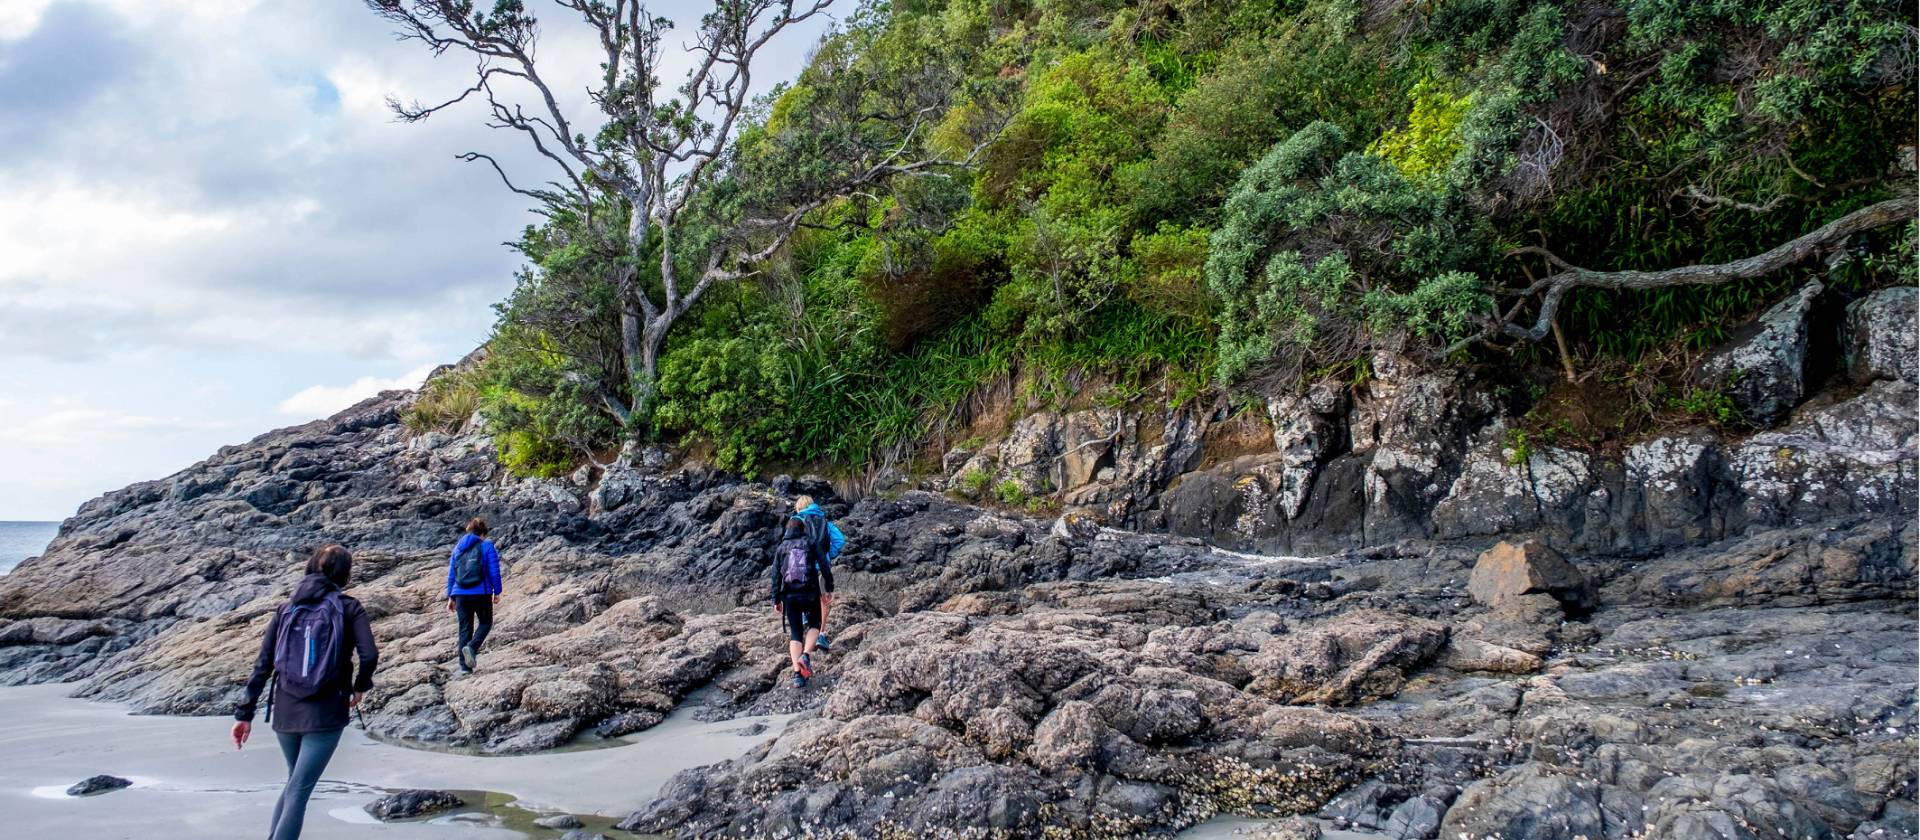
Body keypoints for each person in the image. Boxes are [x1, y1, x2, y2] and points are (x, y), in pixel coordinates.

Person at [231, 544, 379, 840]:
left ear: (310, 568)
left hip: (286, 709)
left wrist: (244, 714)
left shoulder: (286, 609)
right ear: (345, 575)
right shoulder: (349, 607)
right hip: (325, 710)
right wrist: (361, 686)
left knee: (294, 783)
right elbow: (369, 655)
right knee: (298, 789)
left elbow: (263, 663)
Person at [770, 516, 835, 688]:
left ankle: (797, 675)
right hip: (810, 593)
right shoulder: (811, 542)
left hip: (789, 596)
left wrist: (776, 599)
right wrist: (828, 587)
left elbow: (775, 575)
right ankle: (805, 655)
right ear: (803, 528)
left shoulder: (781, 548)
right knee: (814, 624)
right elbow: (824, 565)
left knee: (796, 633)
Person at [445, 517, 503, 673]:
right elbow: (494, 571)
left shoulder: (457, 549)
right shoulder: (487, 546)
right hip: (481, 593)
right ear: (482, 533)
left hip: (460, 594)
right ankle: (471, 647)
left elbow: (451, 574)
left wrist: (451, 597)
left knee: (465, 629)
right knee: (485, 623)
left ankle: (464, 668)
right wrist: (497, 591)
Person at [790, 496, 845, 651]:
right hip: (822, 566)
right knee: (824, 599)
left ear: (799, 507)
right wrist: (828, 555)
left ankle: (804, 622)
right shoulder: (824, 520)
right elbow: (840, 540)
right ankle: (821, 635)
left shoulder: (796, 520)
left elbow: (790, 543)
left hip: (802, 566)